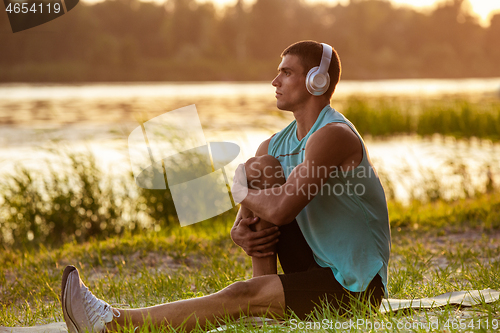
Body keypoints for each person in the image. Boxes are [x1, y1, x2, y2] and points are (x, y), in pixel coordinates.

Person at [60, 40, 391, 333]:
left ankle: (113, 325)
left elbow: (280, 209)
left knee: (238, 294)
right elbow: (258, 210)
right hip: (311, 264)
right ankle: (263, 297)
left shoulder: (333, 135)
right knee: (259, 168)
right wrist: (239, 229)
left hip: (353, 288)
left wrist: (239, 191)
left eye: (287, 73)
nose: (274, 81)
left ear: (317, 81)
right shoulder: (274, 145)